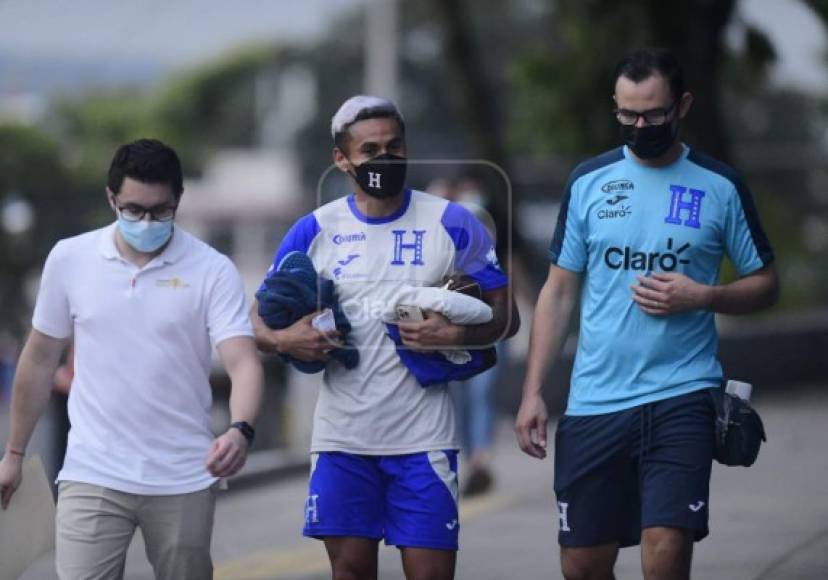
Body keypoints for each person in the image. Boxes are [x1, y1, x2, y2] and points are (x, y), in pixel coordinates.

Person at [514, 48, 779, 580]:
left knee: (665, 552)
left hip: (681, 394)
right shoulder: (589, 182)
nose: (640, 126)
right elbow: (558, 291)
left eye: (654, 114)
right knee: (583, 565)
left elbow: (766, 284)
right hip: (595, 401)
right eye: (628, 114)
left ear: (681, 105)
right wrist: (533, 391)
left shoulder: (719, 185)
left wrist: (704, 296)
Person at [252, 95, 519, 580]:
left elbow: (508, 318)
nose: (385, 159)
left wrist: (455, 332)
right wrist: (286, 340)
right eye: (370, 150)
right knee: (350, 573)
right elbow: (257, 320)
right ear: (342, 159)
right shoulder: (314, 229)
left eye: (394, 147)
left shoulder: (454, 222)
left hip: (424, 441)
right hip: (342, 440)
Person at [0, 138, 264, 580]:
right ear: (111, 198)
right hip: (93, 471)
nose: (147, 221)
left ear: (178, 201)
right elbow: (39, 359)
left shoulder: (211, 269)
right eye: (133, 210)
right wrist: (13, 453)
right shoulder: (71, 259)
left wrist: (240, 429)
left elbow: (243, 362)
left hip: (184, 475)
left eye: (161, 211)